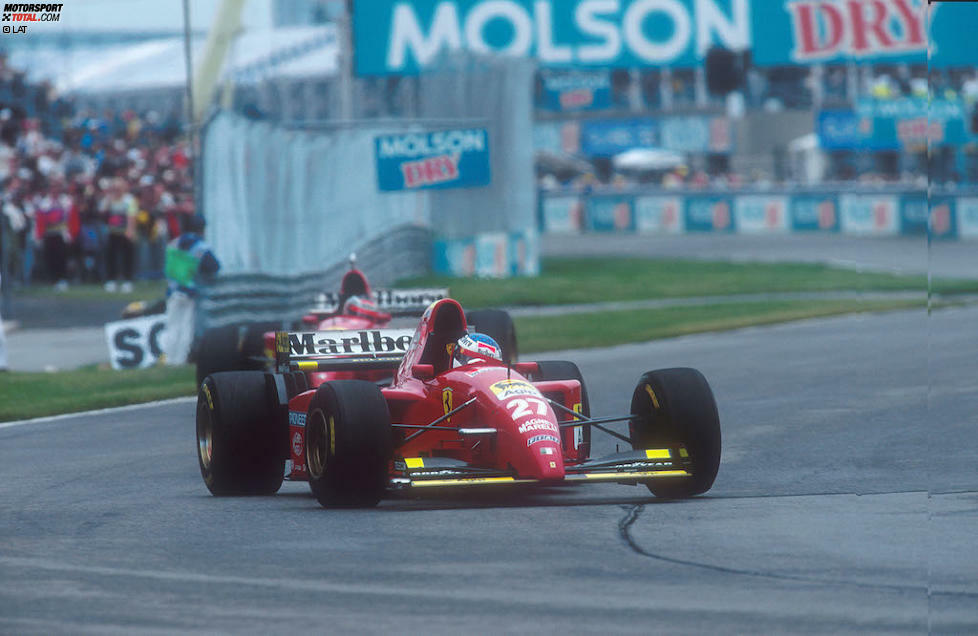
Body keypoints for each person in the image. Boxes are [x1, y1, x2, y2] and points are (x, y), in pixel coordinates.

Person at [162, 215, 219, 365]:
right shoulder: (200, 246)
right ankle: (180, 360)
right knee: (186, 327)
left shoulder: (173, 243)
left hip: (172, 291)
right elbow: (214, 267)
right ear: (202, 229)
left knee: (172, 326)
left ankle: (169, 359)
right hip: (190, 292)